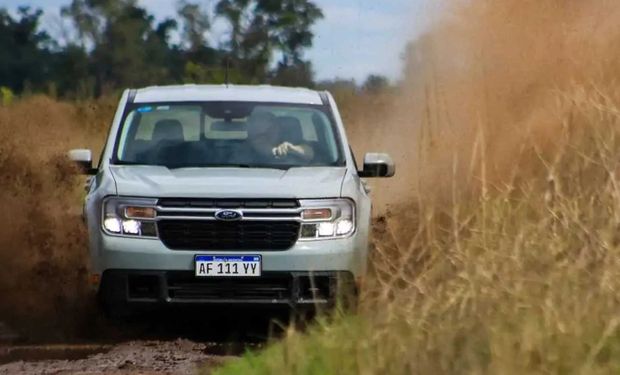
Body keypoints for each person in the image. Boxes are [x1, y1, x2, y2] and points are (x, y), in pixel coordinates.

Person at [234, 111, 314, 164]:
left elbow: (309, 153)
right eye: (261, 135)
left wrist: (293, 149)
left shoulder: (288, 145)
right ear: (250, 132)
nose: (266, 137)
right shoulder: (239, 149)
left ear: (279, 129)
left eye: (270, 130)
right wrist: (271, 151)